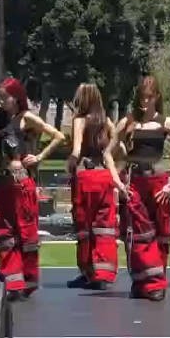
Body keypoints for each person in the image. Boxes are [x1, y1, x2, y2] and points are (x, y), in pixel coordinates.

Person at [104, 76, 170, 301]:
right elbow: (107, 154)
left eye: (149, 97)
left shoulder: (166, 123)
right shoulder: (128, 122)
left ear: (157, 97)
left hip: (159, 183)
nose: (145, 101)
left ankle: (155, 281)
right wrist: (118, 182)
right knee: (138, 234)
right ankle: (145, 283)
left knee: (161, 233)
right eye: (142, 97)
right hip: (135, 183)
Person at [0, 78, 65, 300]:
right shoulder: (0, 118)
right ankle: (13, 282)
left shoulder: (26, 117)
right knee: (5, 234)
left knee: (26, 231)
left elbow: (59, 136)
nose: (1, 101)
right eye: (0, 97)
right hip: (2, 184)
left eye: (5, 97)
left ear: (16, 97)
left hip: (20, 183)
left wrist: (38, 157)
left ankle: (28, 280)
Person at [66, 83, 117, 291]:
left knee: (84, 226)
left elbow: (77, 149)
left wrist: (70, 164)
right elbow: (120, 144)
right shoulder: (106, 121)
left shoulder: (79, 120)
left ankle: (88, 272)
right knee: (103, 225)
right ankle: (103, 272)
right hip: (104, 176)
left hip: (86, 177)